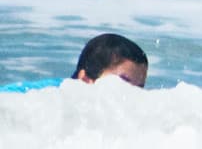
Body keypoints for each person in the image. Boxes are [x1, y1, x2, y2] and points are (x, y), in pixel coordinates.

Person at [0, 33, 149, 93]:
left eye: (139, 89)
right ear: (85, 80)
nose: (133, 95)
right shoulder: (46, 97)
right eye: (123, 84)